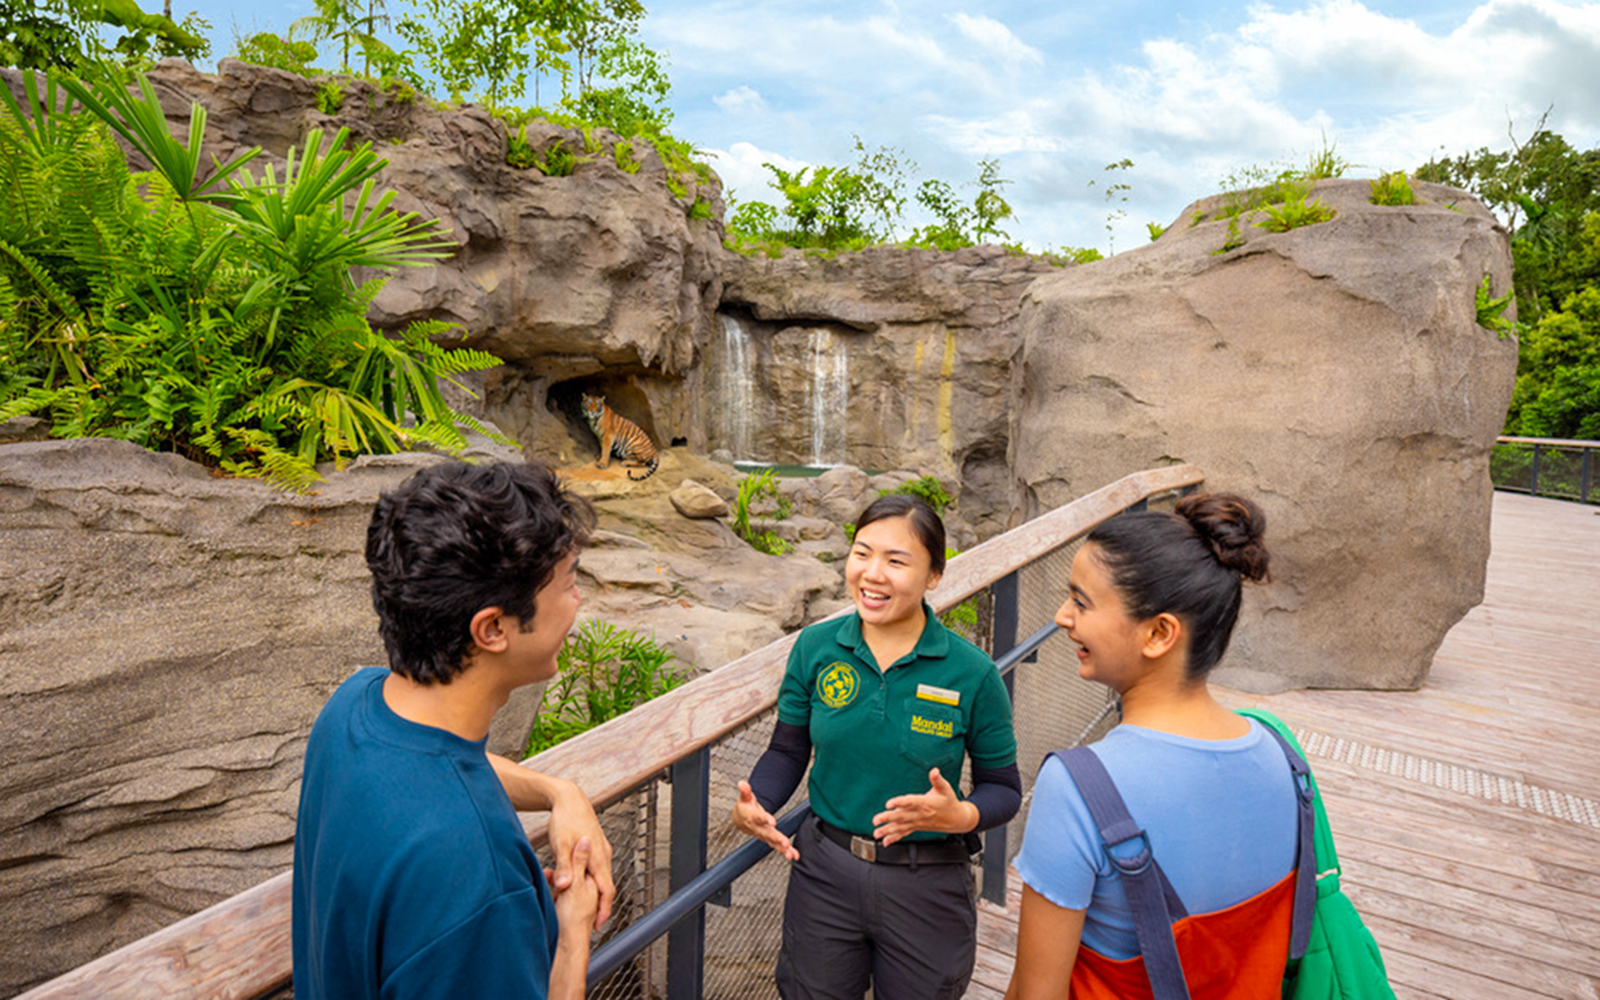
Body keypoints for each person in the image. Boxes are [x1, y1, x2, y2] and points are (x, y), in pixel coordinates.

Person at [292, 460, 618, 1000]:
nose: (578, 601)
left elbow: (437, 766)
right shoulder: (476, 877)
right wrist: (572, 937)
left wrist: (558, 791)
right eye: (569, 582)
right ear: (492, 628)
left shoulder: (353, 708)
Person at [1003, 493, 1295, 999]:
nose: (1062, 616)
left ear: (1159, 633)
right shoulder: (1282, 754)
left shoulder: (1079, 788)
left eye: (1081, 601)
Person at [732, 493, 1021, 1000]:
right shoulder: (816, 648)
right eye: (862, 553)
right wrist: (759, 801)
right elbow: (787, 750)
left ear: (934, 575)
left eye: (896, 560)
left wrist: (962, 816)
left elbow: (1004, 788)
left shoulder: (972, 673)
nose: (872, 574)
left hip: (927, 883)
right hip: (825, 873)